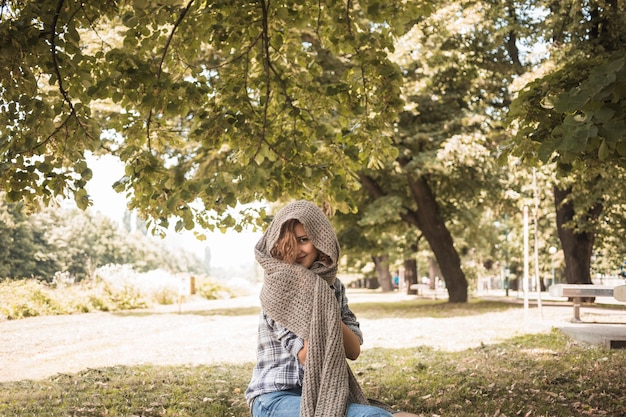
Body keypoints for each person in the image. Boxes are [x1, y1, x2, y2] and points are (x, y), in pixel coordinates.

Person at [245, 200, 419, 417]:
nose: (298, 249)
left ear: (320, 241)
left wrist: (325, 308)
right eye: (291, 241)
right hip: (275, 397)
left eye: (304, 240)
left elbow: (353, 350)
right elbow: (307, 356)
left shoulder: (333, 287)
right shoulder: (278, 287)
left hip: (323, 392)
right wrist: (319, 312)